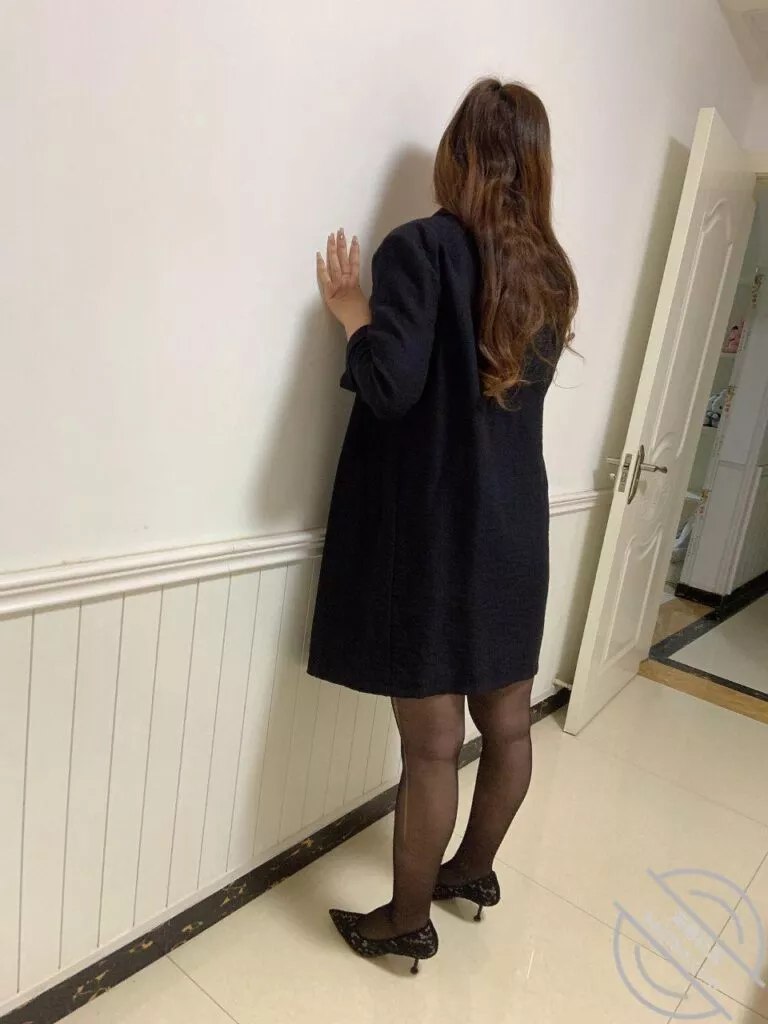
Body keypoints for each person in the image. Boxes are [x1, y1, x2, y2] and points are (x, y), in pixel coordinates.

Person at [309, 78, 578, 973]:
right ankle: (471, 871)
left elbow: (392, 388)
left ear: (460, 154)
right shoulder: (551, 273)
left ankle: (405, 922)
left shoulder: (421, 249)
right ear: (534, 165)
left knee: (431, 749)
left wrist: (352, 311)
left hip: (436, 534)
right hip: (515, 531)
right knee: (508, 726)